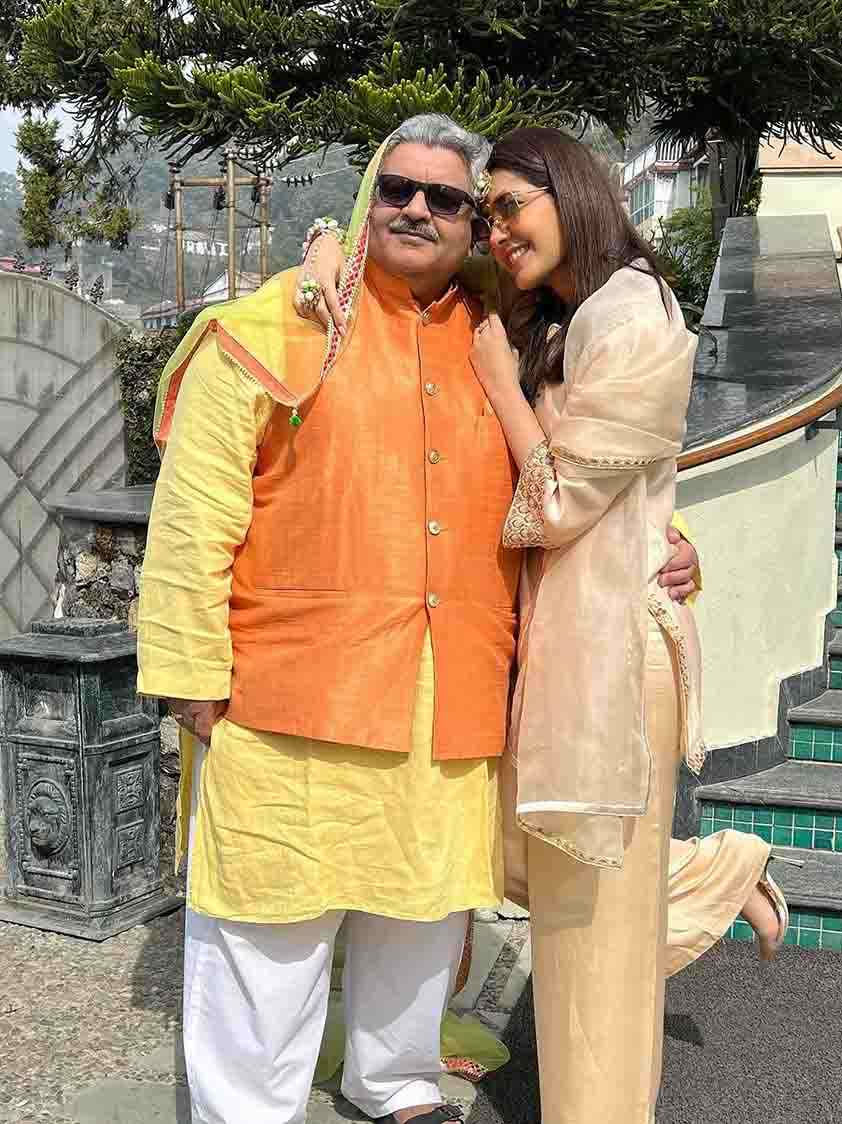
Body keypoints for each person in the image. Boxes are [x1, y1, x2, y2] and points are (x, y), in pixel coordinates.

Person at [138, 113, 697, 1124]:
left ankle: (393, 1083)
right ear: (367, 199)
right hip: (292, 696)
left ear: (472, 223)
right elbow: (192, 516)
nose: (417, 209)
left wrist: (675, 543)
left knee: (421, 918)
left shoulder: (504, 341)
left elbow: (595, 463)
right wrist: (189, 671)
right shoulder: (275, 328)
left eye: (447, 197)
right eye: (397, 187)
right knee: (267, 933)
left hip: (454, 704)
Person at [297, 123, 789, 1124]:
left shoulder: (635, 310)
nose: (494, 231)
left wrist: (495, 380)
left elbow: (563, 497)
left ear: (572, 193)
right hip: (548, 647)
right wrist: (321, 254)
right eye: (485, 212)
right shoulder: (554, 308)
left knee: (592, 942)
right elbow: (394, 245)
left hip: (607, 658)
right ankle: (715, 871)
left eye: (510, 206)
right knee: (534, 868)